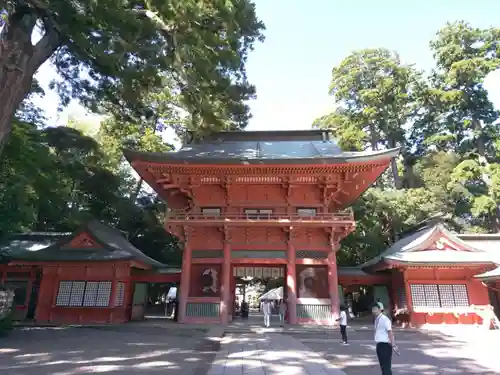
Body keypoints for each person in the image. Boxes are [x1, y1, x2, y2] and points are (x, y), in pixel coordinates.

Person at [372, 302, 397, 375]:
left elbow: (390, 332)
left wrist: (393, 345)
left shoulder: (385, 319)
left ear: (380, 309)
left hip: (385, 345)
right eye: (372, 309)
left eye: (375, 309)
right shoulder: (376, 319)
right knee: (383, 366)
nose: (374, 311)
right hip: (379, 345)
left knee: (386, 367)